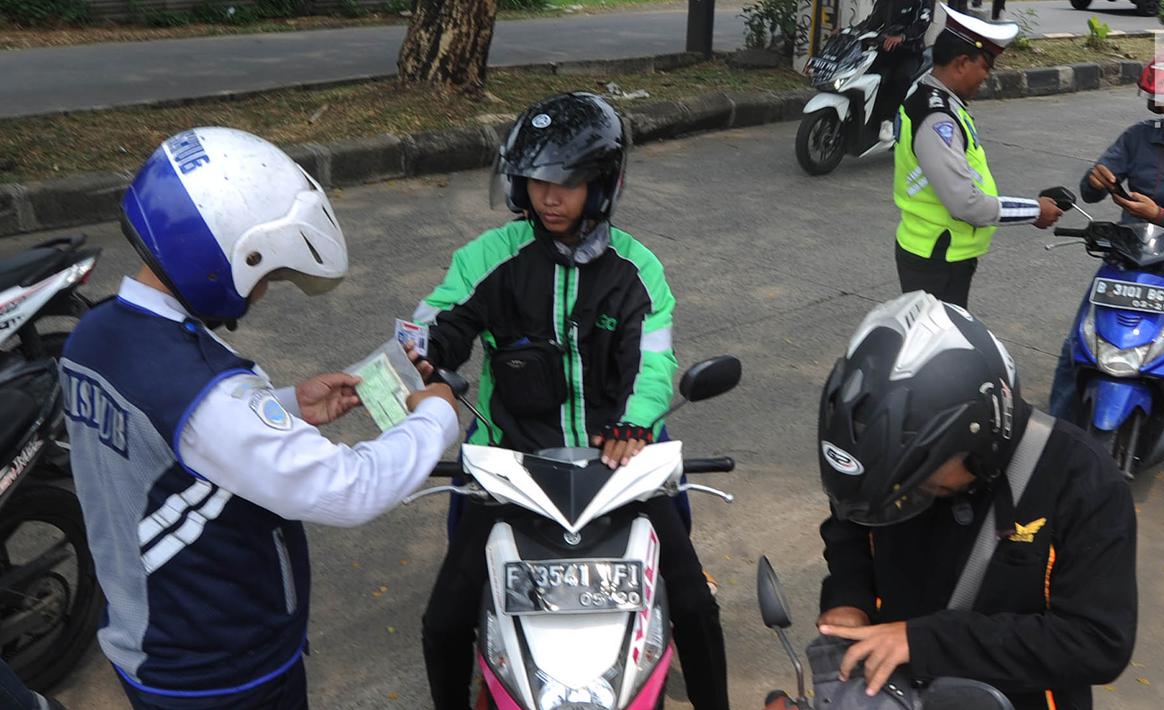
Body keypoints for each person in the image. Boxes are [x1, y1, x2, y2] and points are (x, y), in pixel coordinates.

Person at [59, 127, 459, 709]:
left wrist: (290, 404)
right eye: (267, 274)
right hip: (219, 666)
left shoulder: (93, 336)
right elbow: (348, 489)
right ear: (218, 257)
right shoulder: (204, 390)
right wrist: (434, 419)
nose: (265, 290)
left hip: (144, 633)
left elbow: (172, 451)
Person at [410, 92, 729, 709]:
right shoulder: (488, 256)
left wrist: (637, 423)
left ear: (603, 183)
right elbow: (437, 321)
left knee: (693, 602)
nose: (548, 197)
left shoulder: (639, 269)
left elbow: (655, 362)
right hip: (511, 466)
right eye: (534, 181)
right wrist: (431, 352)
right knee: (445, 617)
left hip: (618, 463)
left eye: (568, 182)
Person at [816, 291, 1137, 710]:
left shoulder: (1081, 480)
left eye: (923, 482)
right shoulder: (890, 466)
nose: (906, 497)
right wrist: (848, 599)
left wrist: (923, 641)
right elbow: (851, 524)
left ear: (980, 438)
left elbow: (1097, 642)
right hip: (898, 694)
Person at [1049, 42, 1164, 490]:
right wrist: (1093, 180)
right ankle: (1051, 437)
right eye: (1163, 103)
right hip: (1125, 261)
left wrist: (1162, 216)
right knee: (1077, 349)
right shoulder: (1137, 137)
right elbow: (1093, 187)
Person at [893, 5, 1063, 308]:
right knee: (939, 348)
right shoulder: (938, 118)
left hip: (939, 251)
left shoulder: (931, 94)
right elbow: (965, 203)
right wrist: (1034, 211)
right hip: (938, 258)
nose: (986, 76)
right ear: (961, 63)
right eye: (986, 66)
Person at [863, 0, 935, 143]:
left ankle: (888, 121)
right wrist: (847, 31)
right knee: (870, 76)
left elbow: (922, 24)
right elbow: (873, 22)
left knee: (900, 78)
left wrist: (902, 37)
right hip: (885, 50)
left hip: (910, 52)